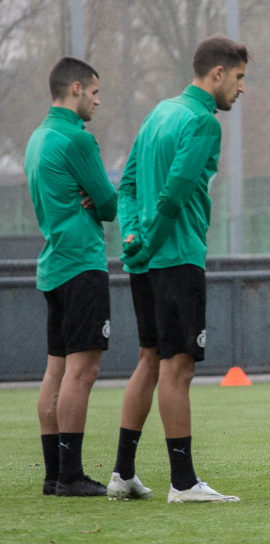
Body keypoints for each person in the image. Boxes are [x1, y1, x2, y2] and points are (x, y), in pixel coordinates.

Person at [108, 35, 248, 503]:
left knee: (149, 360)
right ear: (218, 74)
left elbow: (126, 186)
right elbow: (176, 191)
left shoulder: (159, 114)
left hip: (146, 262)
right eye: (240, 77)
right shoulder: (202, 121)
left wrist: (131, 238)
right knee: (178, 367)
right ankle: (184, 483)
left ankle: (123, 473)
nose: (241, 88)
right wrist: (147, 243)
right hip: (176, 258)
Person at [25, 57, 117, 497]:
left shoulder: (37, 138)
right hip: (82, 262)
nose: (99, 101)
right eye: (95, 92)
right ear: (76, 88)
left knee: (56, 371)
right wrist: (99, 197)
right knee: (83, 371)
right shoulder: (77, 139)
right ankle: (71, 475)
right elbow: (110, 205)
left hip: (53, 264)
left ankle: (52, 473)